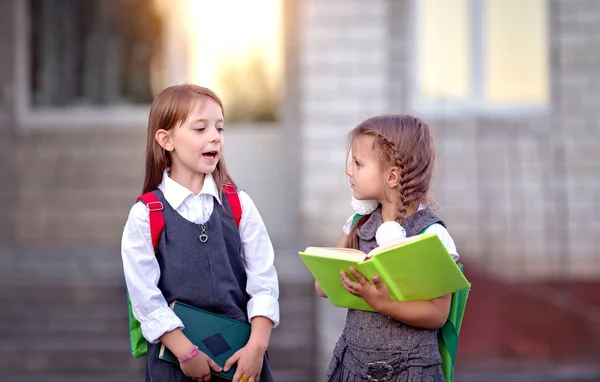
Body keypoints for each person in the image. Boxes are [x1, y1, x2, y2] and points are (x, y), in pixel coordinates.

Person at [121, 84, 278, 382]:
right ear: (166, 140)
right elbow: (145, 298)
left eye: (219, 127)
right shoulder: (145, 215)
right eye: (200, 128)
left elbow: (264, 280)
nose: (215, 136)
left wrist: (257, 347)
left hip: (242, 362)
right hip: (176, 366)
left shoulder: (238, 203)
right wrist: (186, 354)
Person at [317, 114, 460, 382]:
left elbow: (437, 314)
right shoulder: (358, 224)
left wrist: (383, 303)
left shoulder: (431, 234)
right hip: (353, 367)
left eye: (358, 163)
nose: (349, 170)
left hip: (411, 372)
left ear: (392, 175)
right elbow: (323, 287)